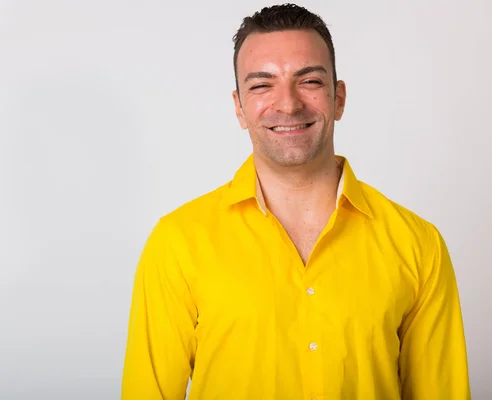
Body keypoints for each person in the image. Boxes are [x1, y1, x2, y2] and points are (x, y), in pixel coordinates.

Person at [121, 3, 470, 399]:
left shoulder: (419, 246)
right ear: (239, 107)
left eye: (309, 81)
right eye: (261, 84)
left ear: (338, 98)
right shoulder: (178, 243)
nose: (287, 104)